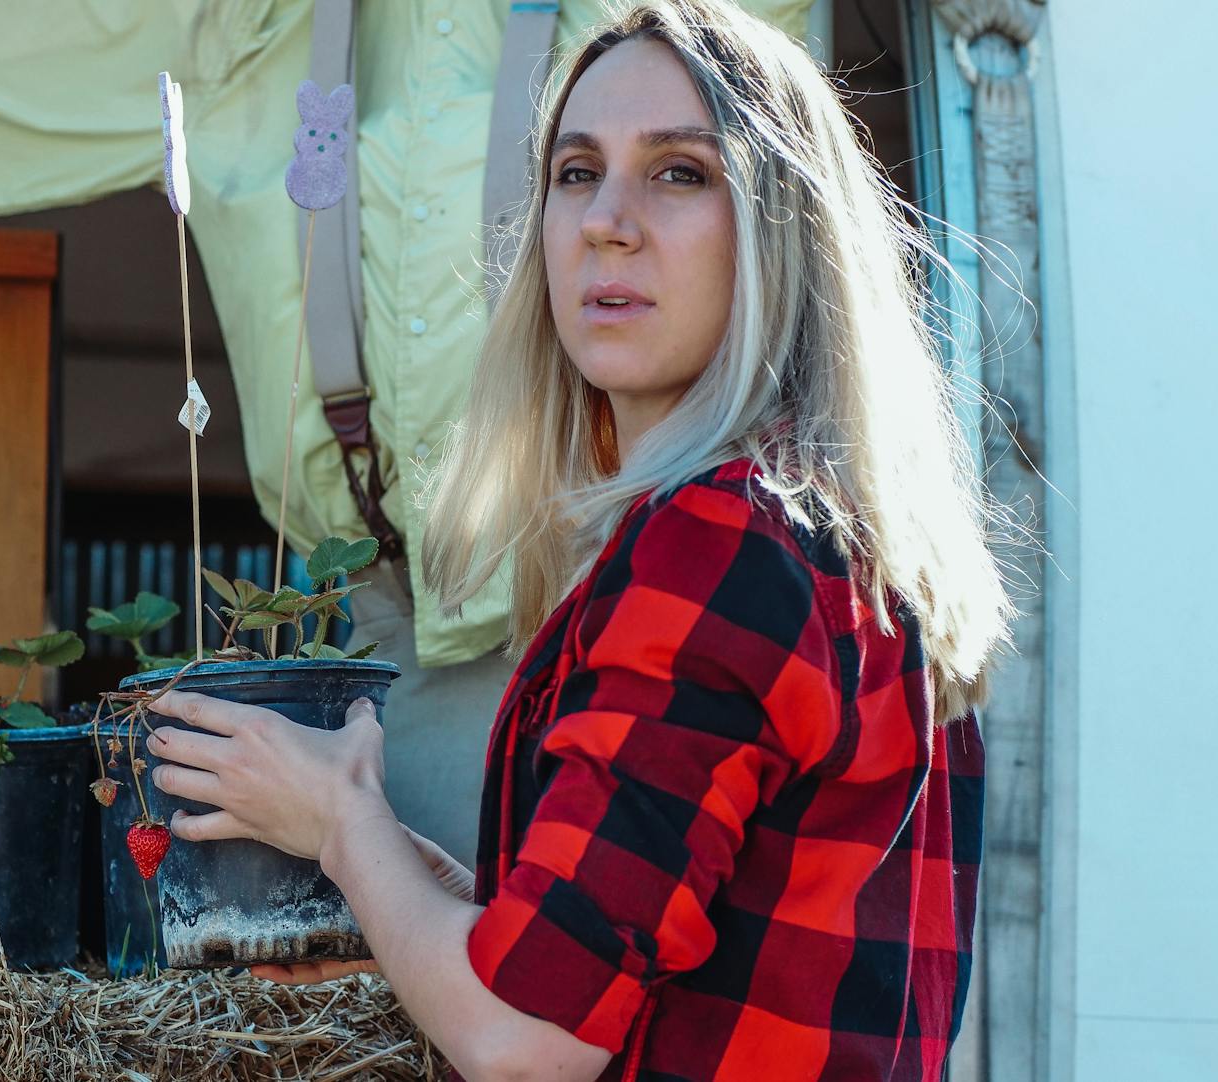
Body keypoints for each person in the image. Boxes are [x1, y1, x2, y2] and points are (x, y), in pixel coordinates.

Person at [0, 0, 811, 867]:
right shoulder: (247, 32)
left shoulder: (643, 43)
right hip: (393, 640)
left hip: (631, 590)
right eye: (580, 175)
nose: (612, 206)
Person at [142, 1, 1013, 1078]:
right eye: (573, 171)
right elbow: (671, 955)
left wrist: (339, 819)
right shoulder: (845, 541)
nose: (608, 218)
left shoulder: (716, 544)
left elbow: (523, 1039)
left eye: (681, 172)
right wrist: (428, 889)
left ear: (783, 222)